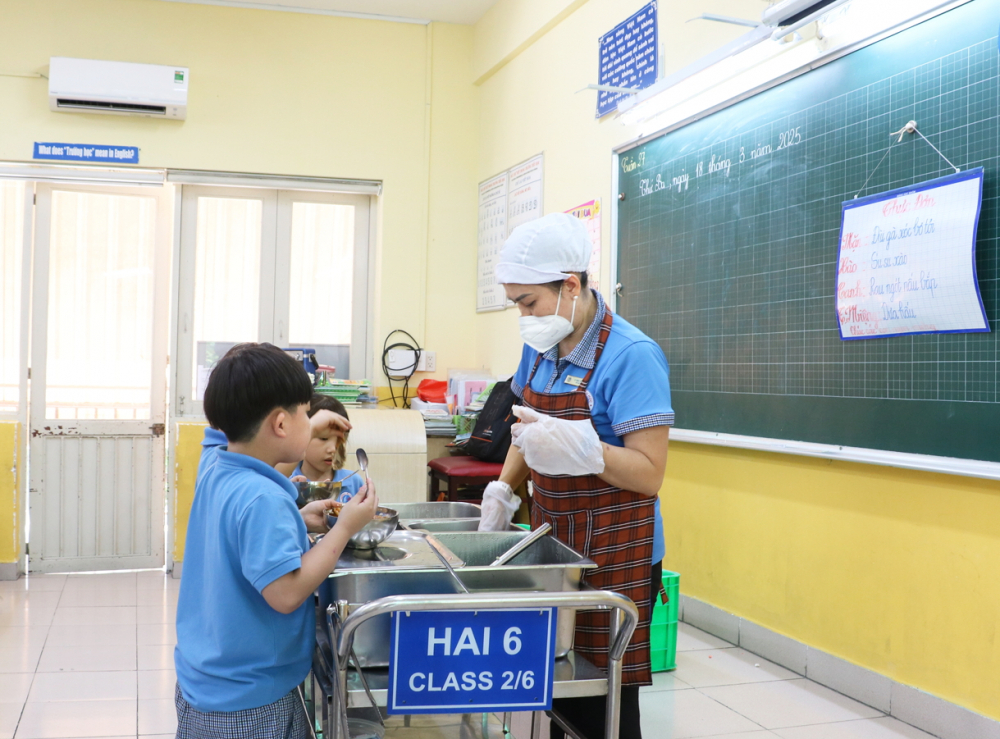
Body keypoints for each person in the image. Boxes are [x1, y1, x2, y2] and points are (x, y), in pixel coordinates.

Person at [480, 212, 673, 739]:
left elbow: (650, 474)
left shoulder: (632, 356)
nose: (524, 316)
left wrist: (588, 451)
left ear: (570, 285)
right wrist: (502, 489)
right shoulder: (541, 342)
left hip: (617, 554)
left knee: (601, 702)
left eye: (528, 303)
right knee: (555, 686)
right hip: (555, 539)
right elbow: (525, 429)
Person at [174, 343, 378, 739]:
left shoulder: (216, 463)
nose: (311, 422)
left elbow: (217, 431)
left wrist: (299, 521)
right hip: (250, 701)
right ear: (281, 424)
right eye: (305, 412)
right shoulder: (264, 497)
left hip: (206, 681)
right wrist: (343, 528)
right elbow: (285, 593)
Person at [278, 394, 364, 504]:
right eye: (323, 438)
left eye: (339, 440)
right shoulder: (287, 481)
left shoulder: (353, 482)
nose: (333, 449)